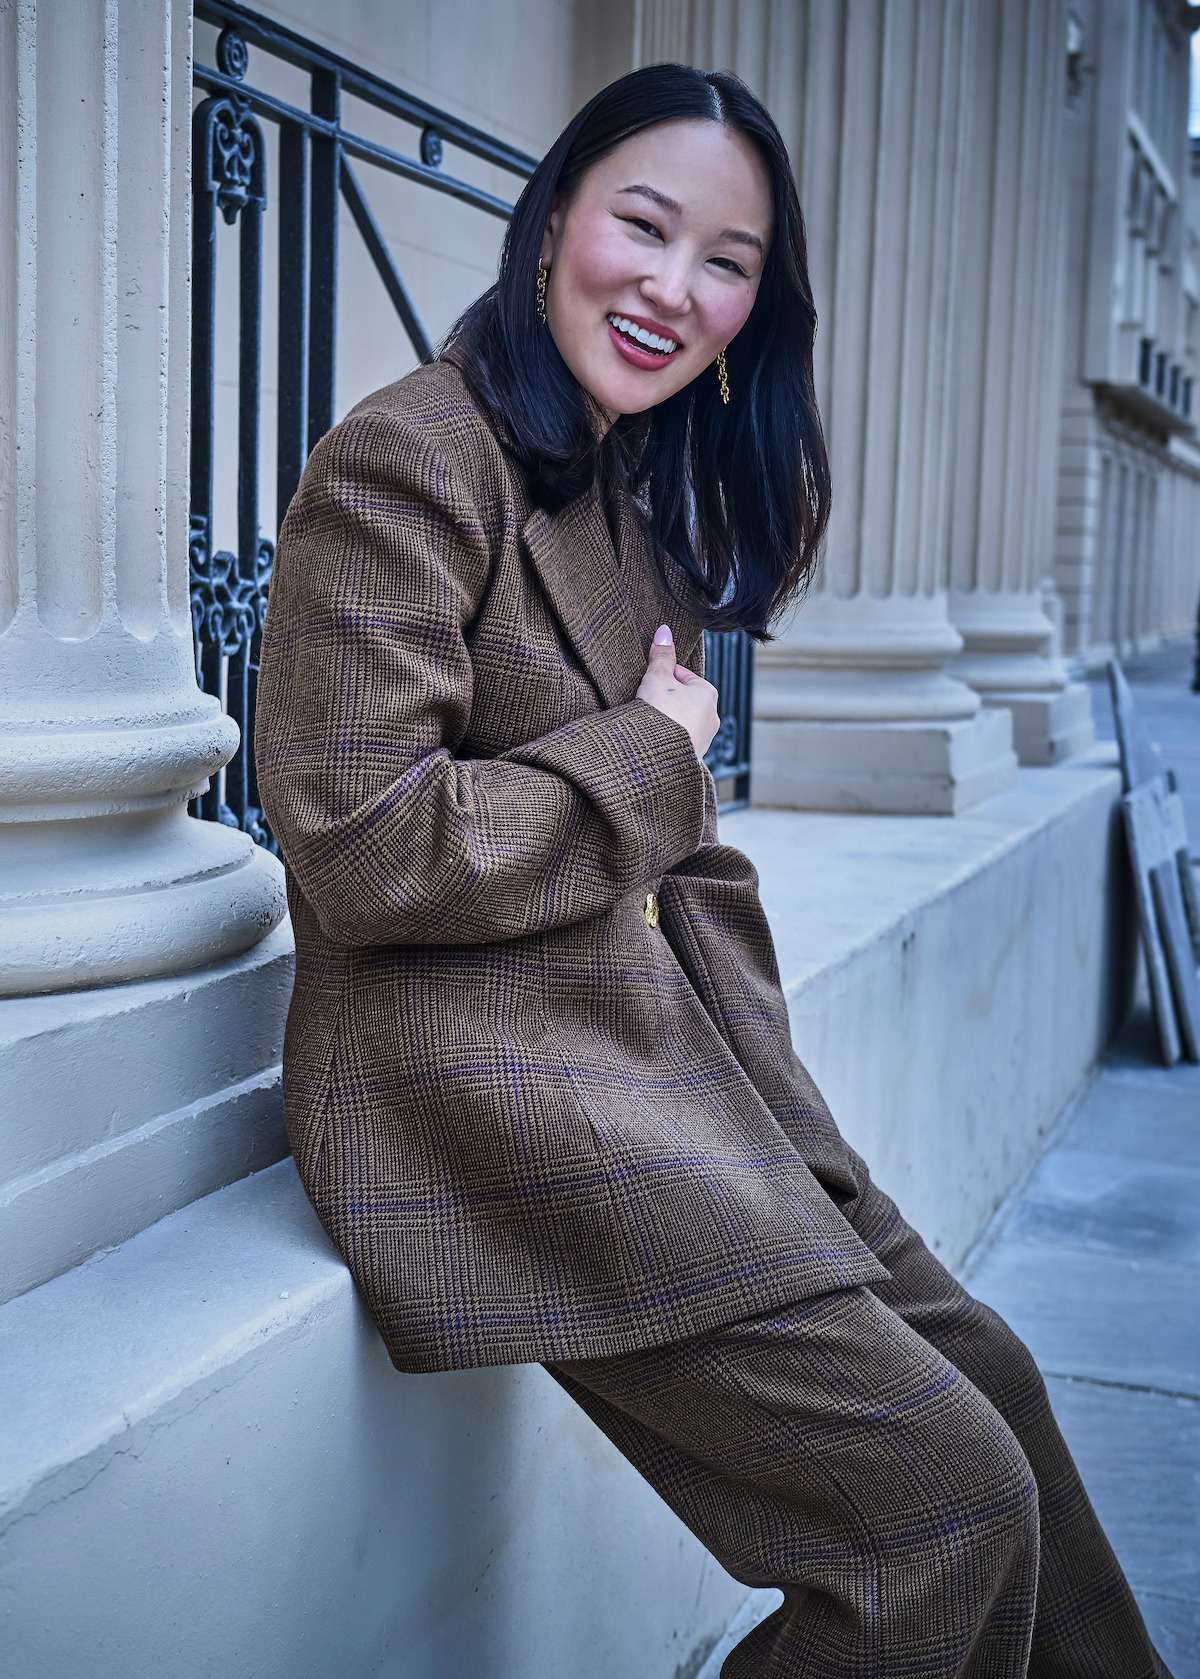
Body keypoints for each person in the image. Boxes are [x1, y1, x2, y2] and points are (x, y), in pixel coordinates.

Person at [254, 63, 1170, 1679]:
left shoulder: (611, 491)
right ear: (552, 226)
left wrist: (806, 1144)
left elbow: (691, 884)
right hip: (481, 1093)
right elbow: (361, 846)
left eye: (729, 262)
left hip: (671, 1076)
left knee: (1000, 1390)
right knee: (939, 1515)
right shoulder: (406, 461)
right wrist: (652, 755)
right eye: (645, 225)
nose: (677, 289)